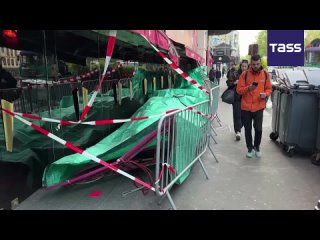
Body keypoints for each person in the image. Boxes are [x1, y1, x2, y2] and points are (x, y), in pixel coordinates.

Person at [236, 54, 271, 158]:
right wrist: (249, 88)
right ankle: (250, 148)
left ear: (260, 63)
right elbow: (239, 90)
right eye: (254, 64)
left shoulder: (265, 74)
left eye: (258, 64)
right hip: (246, 107)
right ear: (250, 64)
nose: (256, 66)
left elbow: (269, 88)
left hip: (259, 106)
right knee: (247, 129)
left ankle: (257, 147)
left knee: (258, 129)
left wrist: (266, 94)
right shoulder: (244, 75)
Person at [226, 60, 249, 141]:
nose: (244, 68)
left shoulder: (250, 75)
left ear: (248, 66)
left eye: (245, 66)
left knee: (244, 116)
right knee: (237, 115)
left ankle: (239, 127)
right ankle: (238, 131)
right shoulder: (235, 73)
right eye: (242, 66)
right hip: (237, 97)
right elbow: (228, 82)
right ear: (240, 66)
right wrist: (235, 82)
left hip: (246, 98)